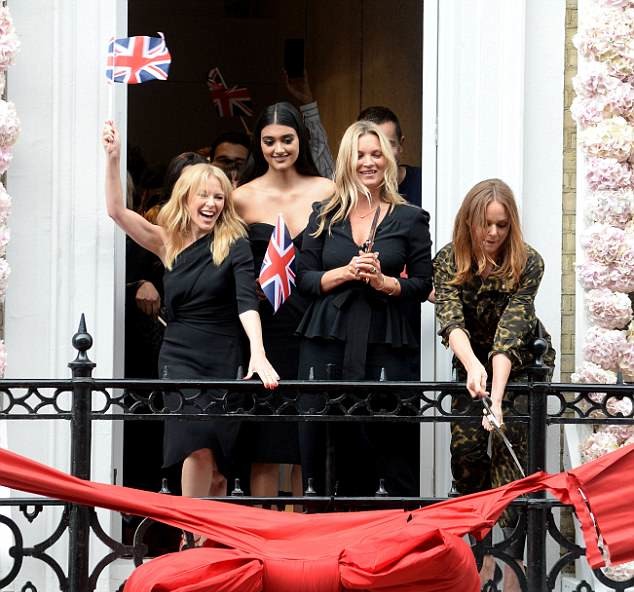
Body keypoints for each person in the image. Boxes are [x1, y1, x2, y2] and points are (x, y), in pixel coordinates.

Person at [102, 120, 279, 527]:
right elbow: (116, 211)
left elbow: (246, 302)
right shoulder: (168, 241)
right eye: (204, 195)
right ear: (185, 197)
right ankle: (190, 533)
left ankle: (207, 533)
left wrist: (258, 353)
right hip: (180, 356)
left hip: (223, 354)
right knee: (194, 445)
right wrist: (112, 159)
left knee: (216, 464)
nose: (212, 204)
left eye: (219, 197)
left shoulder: (234, 243)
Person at [433, 178, 556, 592]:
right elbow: (450, 320)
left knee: (511, 466)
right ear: (469, 221)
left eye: (502, 225)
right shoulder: (448, 260)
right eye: (485, 224)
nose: (493, 233)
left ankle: (511, 571)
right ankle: (482, 558)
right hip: (471, 363)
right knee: (467, 454)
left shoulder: (528, 262)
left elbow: (510, 332)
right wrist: (471, 366)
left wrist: (498, 400)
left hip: (520, 367)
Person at [295, 120, 432, 497]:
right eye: (359, 155)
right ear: (346, 161)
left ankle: (389, 524)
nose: (368, 162)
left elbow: (423, 284)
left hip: (384, 339)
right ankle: (325, 520)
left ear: (388, 159)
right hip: (327, 337)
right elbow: (304, 278)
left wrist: (385, 282)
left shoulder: (410, 218)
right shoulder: (324, 214)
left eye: (376, 154)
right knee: (323, 439)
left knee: (386, 443)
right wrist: (346, 272)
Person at [232, 102, 334, 498]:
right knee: (265, 441)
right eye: (269, 141)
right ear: (258, 144)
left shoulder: (327, 191)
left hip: (314, 325)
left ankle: (302, 528)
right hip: (264, 329)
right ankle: (262, 530)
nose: (279, 149)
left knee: (307, 443)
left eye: (287, 139)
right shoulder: (240, 197)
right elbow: (225, 261)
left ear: (300, 140)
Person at [357, 106, 422, 206]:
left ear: (401, 145)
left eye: (386, 145)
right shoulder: (348, 190)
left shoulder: (425, 182)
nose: (379, 154)